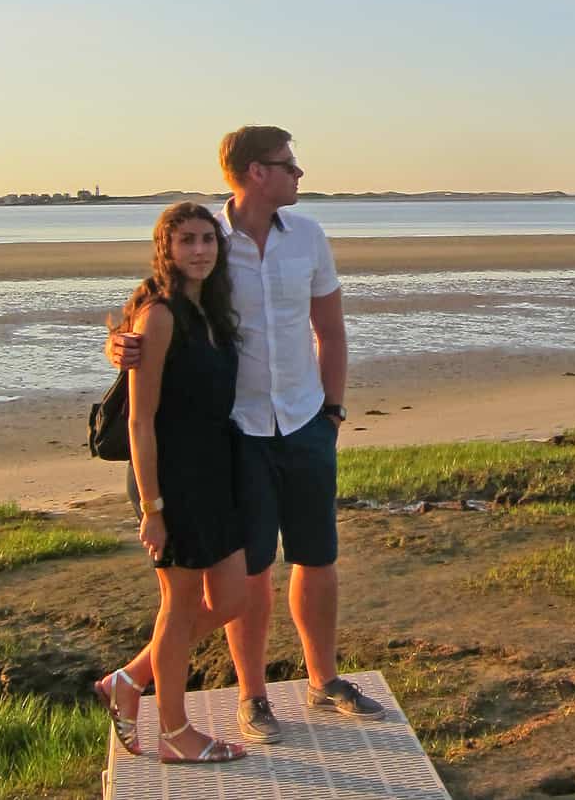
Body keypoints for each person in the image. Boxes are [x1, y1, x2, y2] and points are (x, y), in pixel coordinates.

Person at [109, 125, 383, 746]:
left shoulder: (309, 236)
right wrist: (118, 343)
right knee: (251, 572)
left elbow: (331, 332)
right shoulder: (207, 240)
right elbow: (156, 308)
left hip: (308, 421)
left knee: (318, 557)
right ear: (256, 172)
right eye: (290, 165)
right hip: (239, 434)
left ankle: (324, 681)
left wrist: (333, 412)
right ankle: (253, 699)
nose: (299, 176)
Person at [93, 202, 249, 764]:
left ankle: (128, 681)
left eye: (208, 239)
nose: (200, 250)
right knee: (179, 606)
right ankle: (175, 731)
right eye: (187, 240)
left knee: (232, 596)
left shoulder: (212, 312)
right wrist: (153, 508)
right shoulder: (158, 316)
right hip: (171, 476)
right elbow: (139, 420)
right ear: (167, 249)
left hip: (215, 469)